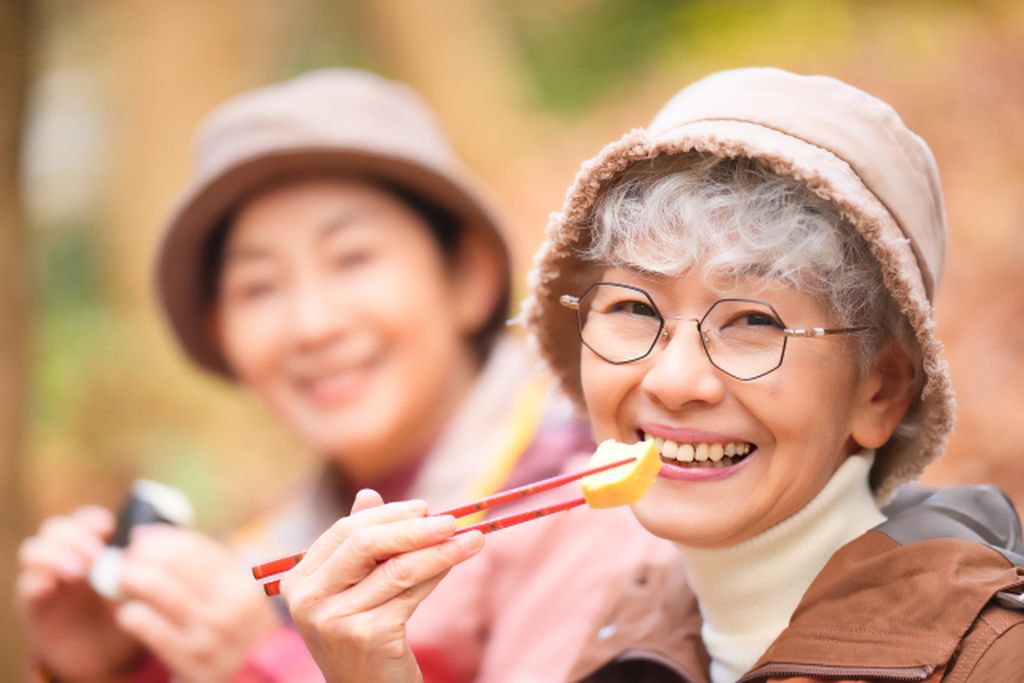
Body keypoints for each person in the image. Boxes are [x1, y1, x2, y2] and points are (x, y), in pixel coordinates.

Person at [279, 67, 1024, 682]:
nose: (673, 381)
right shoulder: (620, 640)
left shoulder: (991, 660)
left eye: (755, 322)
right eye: (634, 308)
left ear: (880, 390)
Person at [16, 69, 672, 683]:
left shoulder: (597, 498)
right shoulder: (267, 553)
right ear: (221, 333)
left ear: (466, 275)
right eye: (258, 285)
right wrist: (122, 663)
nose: (312, 324)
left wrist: (263, 662)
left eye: (351, 258)